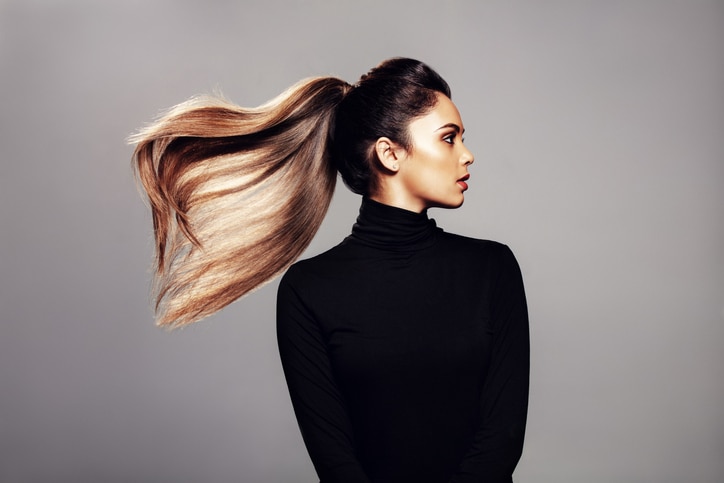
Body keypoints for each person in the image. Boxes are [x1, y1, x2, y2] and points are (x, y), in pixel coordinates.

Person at [131, 58, 529, 483]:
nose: (468, 155)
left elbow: (502, 438)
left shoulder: (493, 269)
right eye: (449, 139)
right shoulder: (308, 292)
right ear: (389, 153)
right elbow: (335, 461)